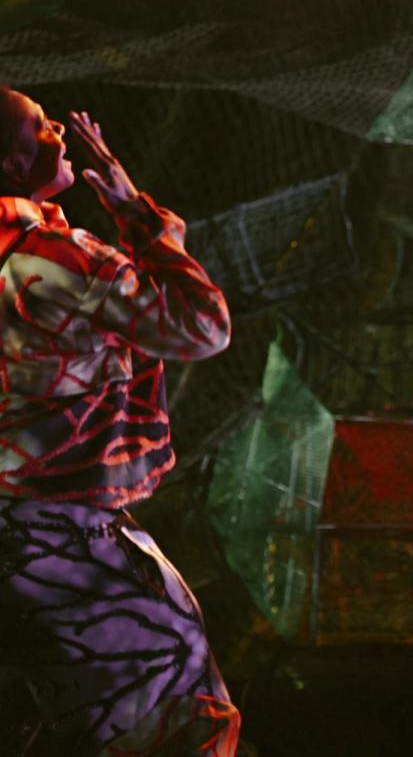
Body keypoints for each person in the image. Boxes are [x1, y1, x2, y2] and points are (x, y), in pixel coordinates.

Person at [0, 88, 239, 755]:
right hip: (60, 533)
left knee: (66, 721)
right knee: (185, 715)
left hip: (26, 531)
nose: (61, 130)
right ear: (14, 166)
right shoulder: (57, 258)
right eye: (40, 126)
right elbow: (202, 324)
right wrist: (137, 213)